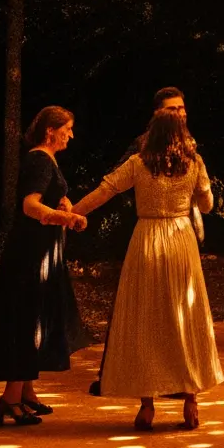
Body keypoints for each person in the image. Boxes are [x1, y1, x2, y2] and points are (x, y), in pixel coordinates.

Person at [72, 107, 223, 431]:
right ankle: (191, 401)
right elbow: (209, 205)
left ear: (152, 134)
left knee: (147, 320)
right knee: (185, 320)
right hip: (182, 240)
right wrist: (198, 192)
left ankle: (147, 405)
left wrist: (73, 212)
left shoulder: (138, 163)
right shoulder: (194, 163)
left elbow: (106, 189)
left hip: (147, 241)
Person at [0, 104, 88, 424]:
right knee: (26, 318)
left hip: (41, 250)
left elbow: (49, 198)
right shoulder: (39, 159)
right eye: (67, 128)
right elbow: (29, 205)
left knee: (35, 318)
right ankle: (10, 399)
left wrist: (63, 204)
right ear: (50, 130)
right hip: (30, 252)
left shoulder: (46, 160)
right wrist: (67, 217)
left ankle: (26, 392)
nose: (71, 134)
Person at [88, 83, 188, 394]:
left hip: (178, 237)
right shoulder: (142, 146)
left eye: (182, 108)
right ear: (158, 113)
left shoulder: (189, 145)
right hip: (142, 232)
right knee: (134, 307)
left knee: (176, 308)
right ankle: (115, 373)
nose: (180, 114)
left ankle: (174, 376)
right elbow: (113, 182)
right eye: (173, 109)